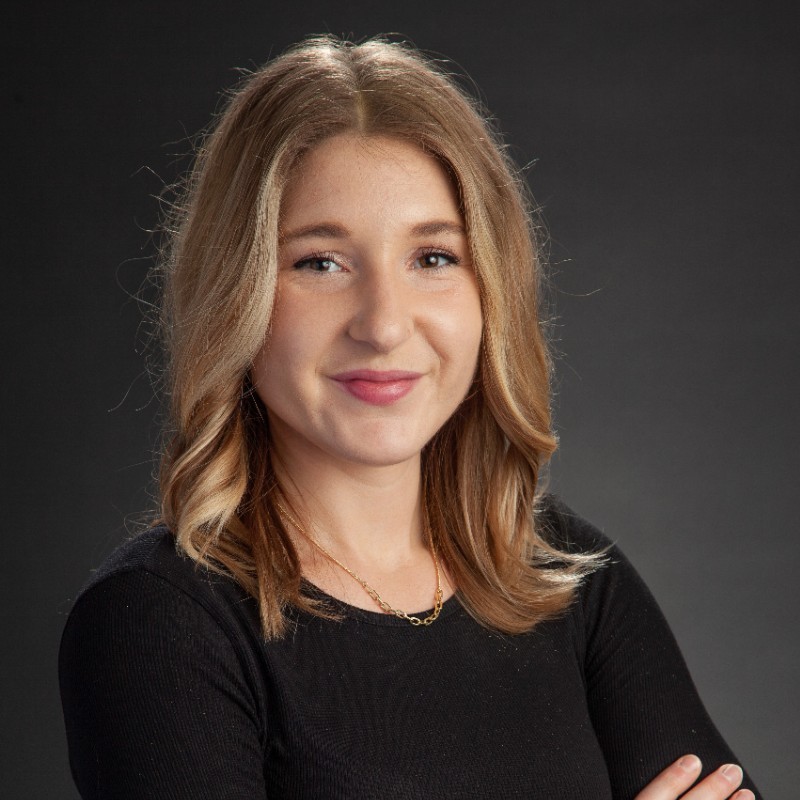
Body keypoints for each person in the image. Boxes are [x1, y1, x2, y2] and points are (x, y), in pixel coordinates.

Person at [59, 36, 761, 799]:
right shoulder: (155, 627)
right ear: (237, 295)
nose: (384, 325)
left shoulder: (560, 573)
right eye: (319, 262)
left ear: (490, 288)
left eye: (433, 258)